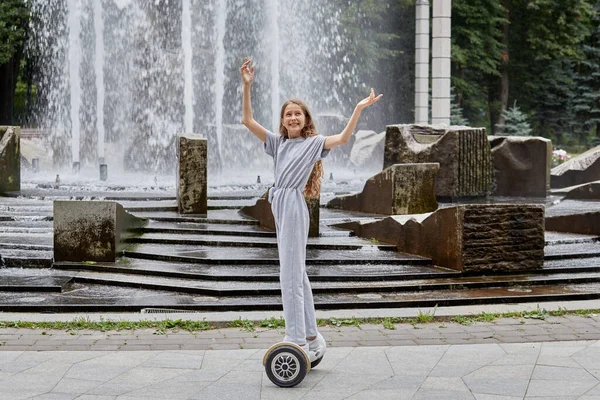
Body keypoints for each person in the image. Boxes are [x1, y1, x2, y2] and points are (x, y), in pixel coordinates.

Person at [240, 57, 382, 359]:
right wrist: (247, 86)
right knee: (296, 273)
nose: (292, 118)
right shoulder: (277, 143)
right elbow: (247, 121)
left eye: (298, 114)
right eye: (288, 114)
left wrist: (358, 109)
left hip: (292, 204)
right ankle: (311, 336)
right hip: (280, 202)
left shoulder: (314, 142)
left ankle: (296, 341)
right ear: (283, 120)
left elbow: (343, 138)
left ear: (305, 120)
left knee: (289, 275)